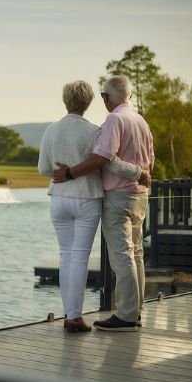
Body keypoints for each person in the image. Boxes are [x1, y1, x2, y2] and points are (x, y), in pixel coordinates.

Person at [38, 80, 145, 333]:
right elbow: (107, 162)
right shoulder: (94, 131)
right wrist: (138, 172)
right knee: (80, 257)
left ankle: (71, 315)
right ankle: (76, 318)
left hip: (59, 199)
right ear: (88, 103)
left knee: (66, 255)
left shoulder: (51, 130)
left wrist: (61, 171)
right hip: (87, 198)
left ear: (65, 101)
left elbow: (44, 169)